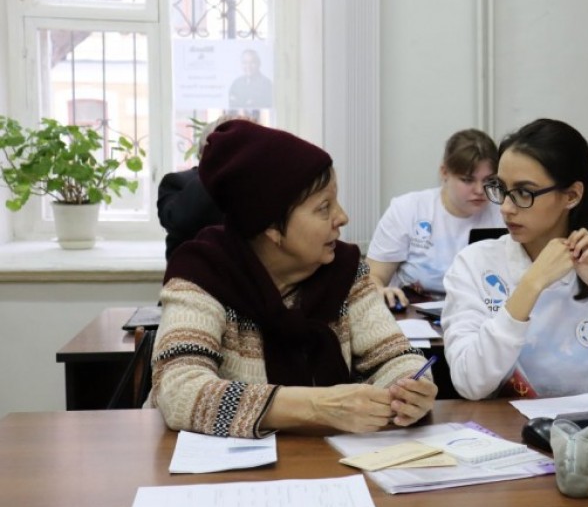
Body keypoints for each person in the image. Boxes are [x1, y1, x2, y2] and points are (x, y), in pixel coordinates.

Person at [146, 120, 437, 437]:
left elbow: (395, 358)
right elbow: (179, 391)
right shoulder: (204, 275)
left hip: (329, 461)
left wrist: (411, 389)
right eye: (324, 207)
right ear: (271, 227)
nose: (342, 217)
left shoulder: (345, 272)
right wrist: (318, 406)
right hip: (221, 466)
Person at [441, 118, 588, 400]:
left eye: (523, 192)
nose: (505, 208)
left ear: (572, 195)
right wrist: (531, 285)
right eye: (502, 189)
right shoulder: (474, 263)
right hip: (506, 425)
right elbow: (470, 382)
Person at [366, 128, 504, 308]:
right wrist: (380, 290)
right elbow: (373, 276)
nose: (479, 190)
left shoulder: (504, 213)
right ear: (444, 172)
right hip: (414, 311)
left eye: (488, 181)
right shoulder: (408, 209)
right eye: (467, 180)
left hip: (479, 310)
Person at [156, 115, 241, 260]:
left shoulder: (261, 184)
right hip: (198, 271)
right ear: (204, 152)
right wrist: (215, 168)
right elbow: (179, 222)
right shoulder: (176, 183)